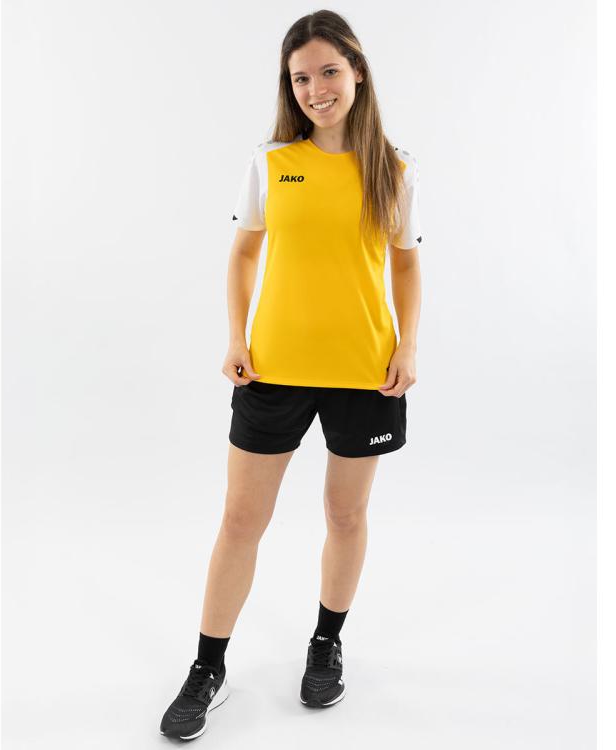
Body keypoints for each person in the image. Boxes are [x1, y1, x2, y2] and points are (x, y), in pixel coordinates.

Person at [159, 9, 422, 740]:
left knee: (345, 516)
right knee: (241, 520)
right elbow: (245, 251)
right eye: (300, 77)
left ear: (358, 72)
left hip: (365, 372)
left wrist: (407, 347)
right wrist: (235, 337)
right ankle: (208, 667)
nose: (316, 89)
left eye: (329, 71)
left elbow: (405, 264)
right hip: (272, 370)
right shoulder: (272, 162)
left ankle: (326, 644)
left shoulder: (394, 169)